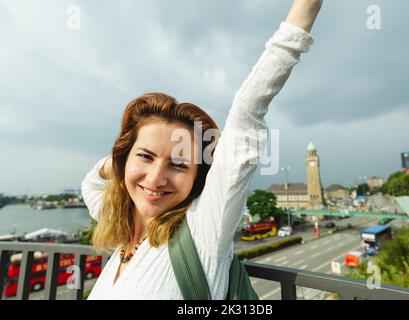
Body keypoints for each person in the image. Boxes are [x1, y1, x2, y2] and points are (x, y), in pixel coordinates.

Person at [81, 0, 323, 300]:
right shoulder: (121, 226)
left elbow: (248, 110)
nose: (155, 178)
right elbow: (91, 183)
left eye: (179, 164)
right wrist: (117, 162)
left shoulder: (203, 233)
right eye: (145, 156)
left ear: (198, 177)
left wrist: (304, 10)